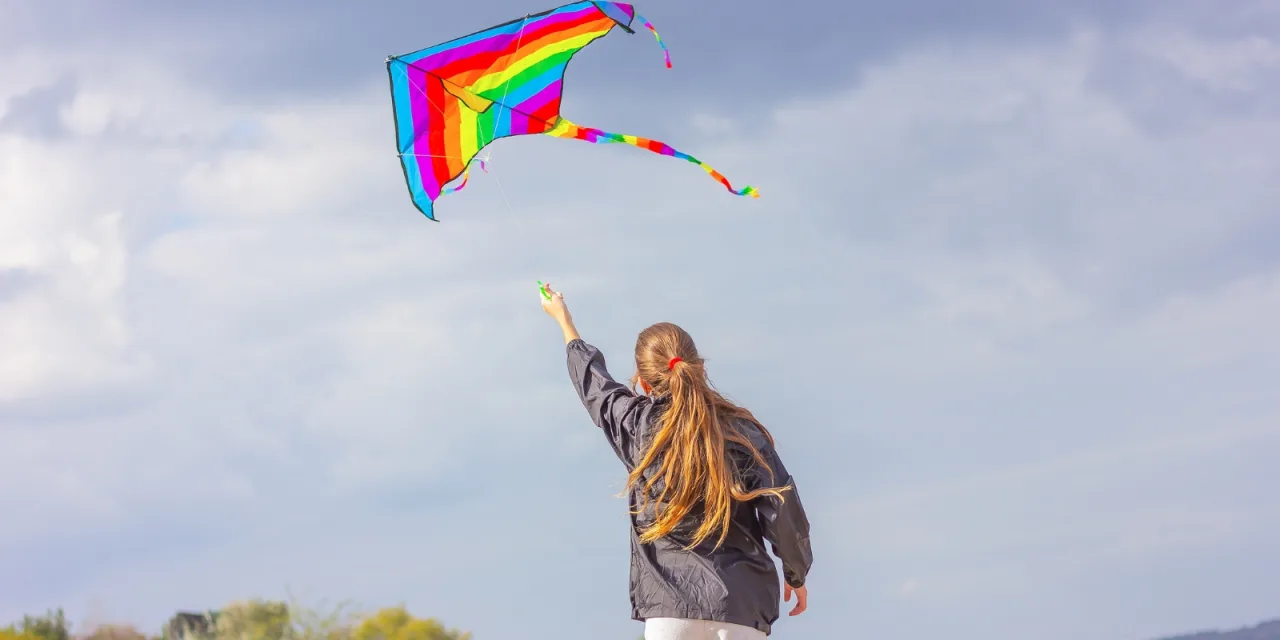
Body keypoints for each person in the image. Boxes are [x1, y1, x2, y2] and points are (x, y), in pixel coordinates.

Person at [539, 284, 812, 639]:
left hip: (669, 616)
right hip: (740, 607)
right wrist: (796, 573)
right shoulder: (742, 432)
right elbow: (781, 505)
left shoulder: (637, 427)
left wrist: (564, 320)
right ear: (698, 367)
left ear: (644, 383)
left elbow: (596, 387)